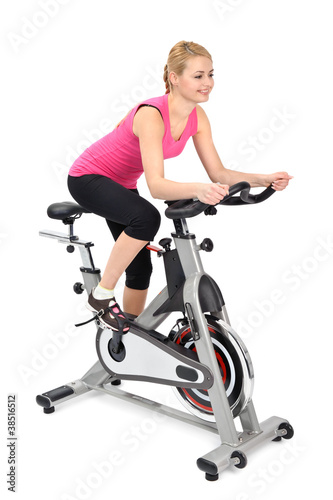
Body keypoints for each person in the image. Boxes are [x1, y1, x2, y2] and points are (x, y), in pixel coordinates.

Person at [67, 40, 292, 332]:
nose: (207, 83)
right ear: (174, 77)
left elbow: (219, 172)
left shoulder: (197, 117)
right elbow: (157, 187)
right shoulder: (152, 114)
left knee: (140, 269)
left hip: (121, 184)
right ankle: (101, 297)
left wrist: (265, 179)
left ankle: (128, 341)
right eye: (198, 76)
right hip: (88, 177)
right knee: (146, 218)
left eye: (210, 74)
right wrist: (198, 190)